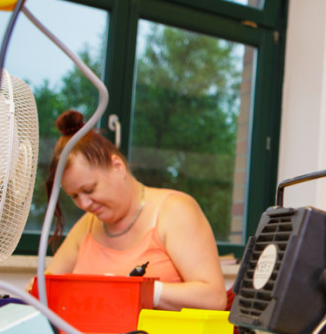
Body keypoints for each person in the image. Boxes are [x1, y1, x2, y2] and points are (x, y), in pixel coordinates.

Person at [42, 110, 227, 312]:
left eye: (89, 190)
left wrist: (142, 291)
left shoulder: (174, 211)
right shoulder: (87, 225)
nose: (84, 204)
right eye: (74, 196)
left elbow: (214, 299)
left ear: (118, 167)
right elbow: (43, 289)